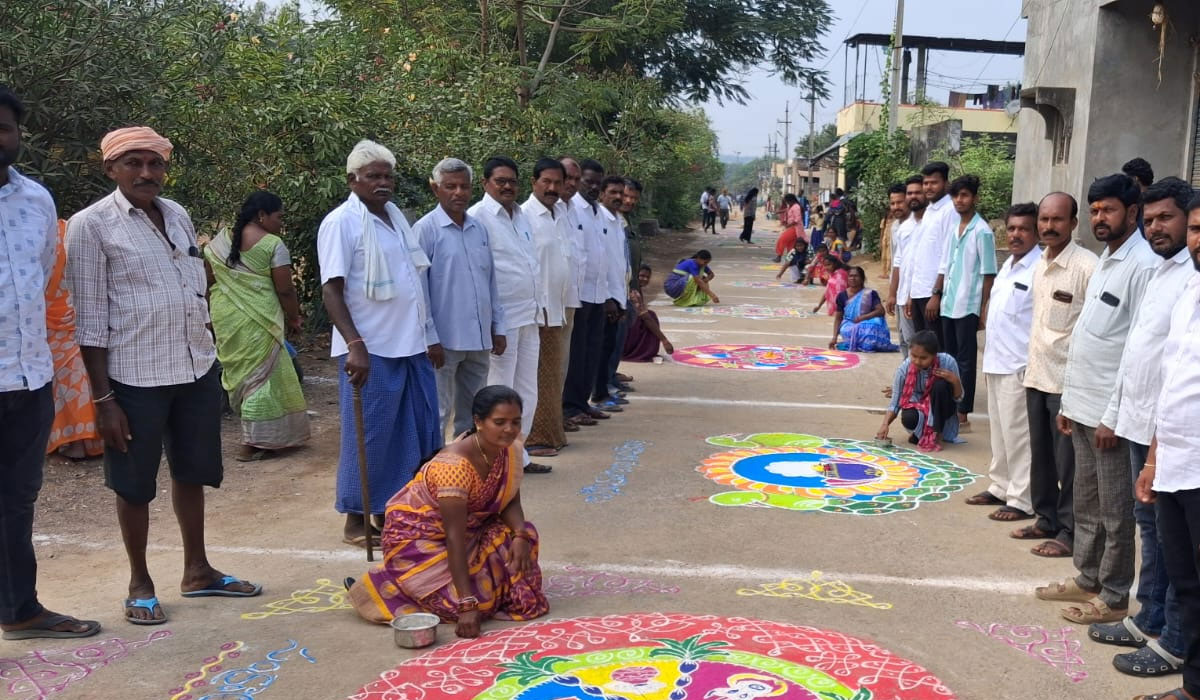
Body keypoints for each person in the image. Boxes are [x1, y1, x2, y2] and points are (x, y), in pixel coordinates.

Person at [68, 126, 261, 625]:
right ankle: (140, 582)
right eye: (133, 163)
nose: (146, 173)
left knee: (192, 471)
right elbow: (88, 318)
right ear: (111, 168)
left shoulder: (175, 213)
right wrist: (103, 398)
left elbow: (193, 284)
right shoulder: (92, 226)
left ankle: (197, 571)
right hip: (133, 377)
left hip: (194, 366)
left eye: (154, 163)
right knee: (133, 484)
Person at [0, 87, 100, 641]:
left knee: (16, 503)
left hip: (27, 377)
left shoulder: (37, 200)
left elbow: (40, 280)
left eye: (6, 128)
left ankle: (19, 611)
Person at [1038, 174, 1159, 626]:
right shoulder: (1108, 259)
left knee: (1114, 510)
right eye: (1093, 210)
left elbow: (1136, 348)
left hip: (1111, 416)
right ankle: (1087, 576)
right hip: (1083, 407)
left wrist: (1113, 416)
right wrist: (1069, 401)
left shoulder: (1142, 265)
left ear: (1131, 211)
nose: (1098, 218)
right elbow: (1089, 338)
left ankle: (1112, 594)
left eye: (1107, 209)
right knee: (1085, 500)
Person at [1090, 178, 1195, 677]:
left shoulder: (1187, 276)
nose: (1157, 228)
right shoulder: (1159, 271)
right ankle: (1149, 617)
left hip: (1173, 430)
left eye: (1167, 219)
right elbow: (1137, 351)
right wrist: (1116, 412)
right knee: (1151, 532)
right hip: (1145, 424)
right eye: (1150, 220)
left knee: (1173, 545)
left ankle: (1173, 638)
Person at [346, 385, 549, 638]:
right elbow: (454, 538)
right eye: (499, 422)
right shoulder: (453, 467)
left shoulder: (510, 448)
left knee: (526, 537)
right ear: (479, 422)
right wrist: (467, 604)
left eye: (515, 422)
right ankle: (382, 588)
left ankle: (427, 585)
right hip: (420, 540)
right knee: (474, 604)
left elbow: (508, 500)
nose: (509, 430)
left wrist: (519, 535)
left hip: (470, 529)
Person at [318, 140, 442, 548]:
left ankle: (393, 511)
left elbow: (412, 283)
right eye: (373, 176)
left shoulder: (395, 219)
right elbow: (332, 289)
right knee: (370, 434)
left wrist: (429, 337)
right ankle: (356, 519)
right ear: (353, 180)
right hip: (371, 349)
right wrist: (355, 343)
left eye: (388, 175)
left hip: (409, 344)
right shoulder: (341, 223)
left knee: (414, 431)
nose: (383, 182)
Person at [1133, 192, 1200, 700]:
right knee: (1189, 585)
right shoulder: (1189, 293)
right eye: (1196, 228)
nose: (1198, 239)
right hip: (1175, 461)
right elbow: (1172, 383)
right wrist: (1153, 459)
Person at [1015, 192, 1098, 558]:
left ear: (1073, 224)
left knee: (1070, 463)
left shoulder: (1086, 268)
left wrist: (1079, 389)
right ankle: (1045, 518)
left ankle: (1068, 531)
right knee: (1042, 455)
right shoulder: (1040, 263)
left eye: (1057, 220)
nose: (1049, 227)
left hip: (1067, 384)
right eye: (1044, 220)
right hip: (1037, 376)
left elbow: (1092, 332)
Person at [205, 191, 309, 462]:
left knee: (241, 373)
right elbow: (285, 289)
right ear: (261, 215)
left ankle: (262, 436)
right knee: (260, 378)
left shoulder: (219, 242)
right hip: (258, 318)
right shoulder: (273, 244)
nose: (281, 224)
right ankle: (253, 442)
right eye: (279, 217)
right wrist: (294, 317)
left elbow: (207, 280)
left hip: (225, 316)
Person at [415, 158, 507, 438]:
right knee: (439, 410)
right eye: (450, 186)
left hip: (478, 339)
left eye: (464, 186)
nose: (458, 193)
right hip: (444, 341)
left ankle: (468, 468)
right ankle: (433, 471)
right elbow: (419, 289)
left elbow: (490, 281)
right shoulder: (425, 230)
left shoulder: (478, 228)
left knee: (475, 412)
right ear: (435, 189)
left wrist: (498, 327)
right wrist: (430, 337)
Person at [468, 157, 547, 474]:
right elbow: (478, 274)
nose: (507, 186)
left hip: (529, 315)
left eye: (512, 180)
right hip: (502, 322)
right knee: (499, 392)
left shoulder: (521, 216)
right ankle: (491, 461)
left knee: (527, 391)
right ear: (486, 183)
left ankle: (517, 456)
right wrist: (491, 323)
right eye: (500, 180)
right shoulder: (477, 218)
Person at [966, 203, 1042, 522]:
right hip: (996, 361)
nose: (1016, 234)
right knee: (998, 431)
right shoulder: (1008, 266)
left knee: (1018, 435)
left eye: (1023, 229)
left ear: (1036, 232)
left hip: (1019, 365)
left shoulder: (1040, 269)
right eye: (1011, 228)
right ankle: (1000, 485)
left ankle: (1022, 499)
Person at [930, 175, 997, 431]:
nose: (960, 200)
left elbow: (988, 273)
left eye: (965, 195)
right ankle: (947, 405)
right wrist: (937, 293)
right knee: (948, 357)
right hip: (948, 303)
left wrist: (983, 309)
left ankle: (963, 412)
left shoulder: (983, 232)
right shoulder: (953, 229)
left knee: (966, 361)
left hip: (968, 305)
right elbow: (945, 266)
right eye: (956, 196)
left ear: (974, 198)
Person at [523, 158, 573, 460]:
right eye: (547, 182)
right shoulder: (525, 215)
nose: (553, 188)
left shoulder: (560, 214)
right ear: (534, 182)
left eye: (558, 183)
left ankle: (552, 432)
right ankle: (534, 437)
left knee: (553, 376)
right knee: (535, 378)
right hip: (534, 311)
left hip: (557, 308)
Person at [562, 158, 615, 424]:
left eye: (597, 183)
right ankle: (570, 406)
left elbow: (601, 255)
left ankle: (582, 402)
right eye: (588, 181)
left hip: (596, 294)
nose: (592, 187)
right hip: (578, 294)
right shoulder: (571, 208)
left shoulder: (597, 211)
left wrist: (607, 294)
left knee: (591, 351)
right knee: (576, 353)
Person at [45, 219, 103, 460]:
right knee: (79, 377)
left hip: (53, 315)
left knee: (67, 379)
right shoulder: (71, 230)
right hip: (74, 311)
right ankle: (86, 440)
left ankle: (75, 440)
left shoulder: (44, 235)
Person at [875, 330, 962, 452]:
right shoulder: (904, 369)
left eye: (923, 358)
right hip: (918, 407)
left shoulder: (948, 362)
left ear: (934, 355)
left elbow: (959, 397)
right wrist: (885, 425)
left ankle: (936, 433)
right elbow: (895, 403)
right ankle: (921, 433)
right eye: (914, 356)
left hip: (942, 408)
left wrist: (954, 381)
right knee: (908, 417)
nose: (917, 361)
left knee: (940, 386)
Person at [590, 174, 630, 414]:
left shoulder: (618, 220)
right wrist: (607, 297)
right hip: (605, 297)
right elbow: (599, 260)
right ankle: (598, 393)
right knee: (600, 348)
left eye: (621, 193)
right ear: (603, 193)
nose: (618, 197)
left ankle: (604, 390)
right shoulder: (599, 218)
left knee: (609, 347)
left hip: (618, 292)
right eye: (613, 192)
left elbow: (618, 261)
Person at [906, 162, 953, 346]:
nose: (928, 187)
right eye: (926, 183)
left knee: (936, 349)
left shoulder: (950, 211)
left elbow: (947, 256)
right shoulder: (929, 211)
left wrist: (936, 293)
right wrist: (911, 293)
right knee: (921, 350)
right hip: (919, 291)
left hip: (933, 294)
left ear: (946, 183)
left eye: (934, 183)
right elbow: (920, 256)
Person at [885, 177, 921, 357]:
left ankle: (912, 381)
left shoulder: (918, 226)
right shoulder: (895, 227)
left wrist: (909, 294)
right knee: (902, 337)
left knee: (912, 339)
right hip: (899, 290)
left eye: (900, 202)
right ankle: (905, 379)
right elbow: (896, 263)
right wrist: (892, 292)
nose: (896, 207)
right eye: (892, 203)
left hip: (911, 292)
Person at [830, 266, 897, 352]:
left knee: (874, 324)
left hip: (868, 321)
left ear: (862, 278)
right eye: (850, 276)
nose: (853, 278)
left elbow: (880, 311)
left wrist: (863, 317)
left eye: (856, 276)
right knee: (849, 329)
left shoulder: (870, 293)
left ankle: (866, 344)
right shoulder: (842, 296)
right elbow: (838, 318)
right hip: (850, 323)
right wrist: (834, 337)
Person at [623, 265, 674, 361]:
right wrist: (664, 340)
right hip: (626, 327)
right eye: (641, 276)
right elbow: (646, 318)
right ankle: (638, 351)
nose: (645, 279)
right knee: (651, 317)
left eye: (647, 277)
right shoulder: (634, 292)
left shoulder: (631, 286)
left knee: (649, 315)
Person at [773, 194, 804, 261]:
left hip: (794, 228)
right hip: (792, 227)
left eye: (787, 202)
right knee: (791, 243)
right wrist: (778, 212)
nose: (787, 203)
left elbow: (797, 219)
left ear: (791, 200)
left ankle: (779, 255)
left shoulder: (796, 207)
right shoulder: (792, 206)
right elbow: (786, 210)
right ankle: (791, 258)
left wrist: (788, 225)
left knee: (782, 239)